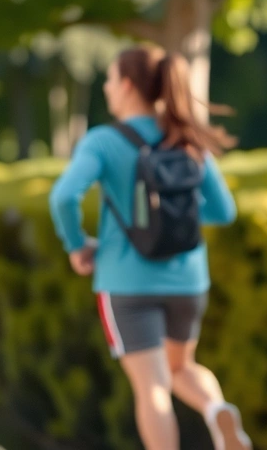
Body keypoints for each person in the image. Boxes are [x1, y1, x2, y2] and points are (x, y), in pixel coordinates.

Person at [49, 47, 252, 450]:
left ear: (127, 85)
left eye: (109, 80)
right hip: (187, 281)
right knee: (180, 368)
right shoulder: (185, 136)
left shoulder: (103, 142)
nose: (106, 88)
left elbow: (63, 197)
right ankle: (216, 409)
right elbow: (223, 211)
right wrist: (172, 220)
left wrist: (77, 245)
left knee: (152, 387)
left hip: (126, 282)